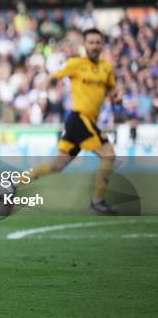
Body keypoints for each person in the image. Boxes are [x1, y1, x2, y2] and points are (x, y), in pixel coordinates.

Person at [29, 28, 119, 214]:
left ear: (102, 45)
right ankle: (97, 201)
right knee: (108, 155)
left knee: (56, 166)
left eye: (97, 42)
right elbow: (51, 78)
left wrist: (115, 98)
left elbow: (111, 91)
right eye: (91, 42)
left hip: (83, 121)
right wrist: (43, 96)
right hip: (79, 118)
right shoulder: (76, 64)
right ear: (84, 45)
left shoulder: (106, 68)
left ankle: (11, 184)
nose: (94, 46)